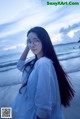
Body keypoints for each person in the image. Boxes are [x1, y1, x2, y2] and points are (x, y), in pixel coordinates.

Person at [12, 26, 75, 119]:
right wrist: (28, 46)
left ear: (44, 41)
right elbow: (19, 65)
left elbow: (44, 101)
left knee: (4, 114)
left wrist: (39, 116)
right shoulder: (35, 62)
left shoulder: (43, 63)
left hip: (31, 114)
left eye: (36, 40)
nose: (32, 44)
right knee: (4, 113)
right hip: (21, 108)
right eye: (29, 41)